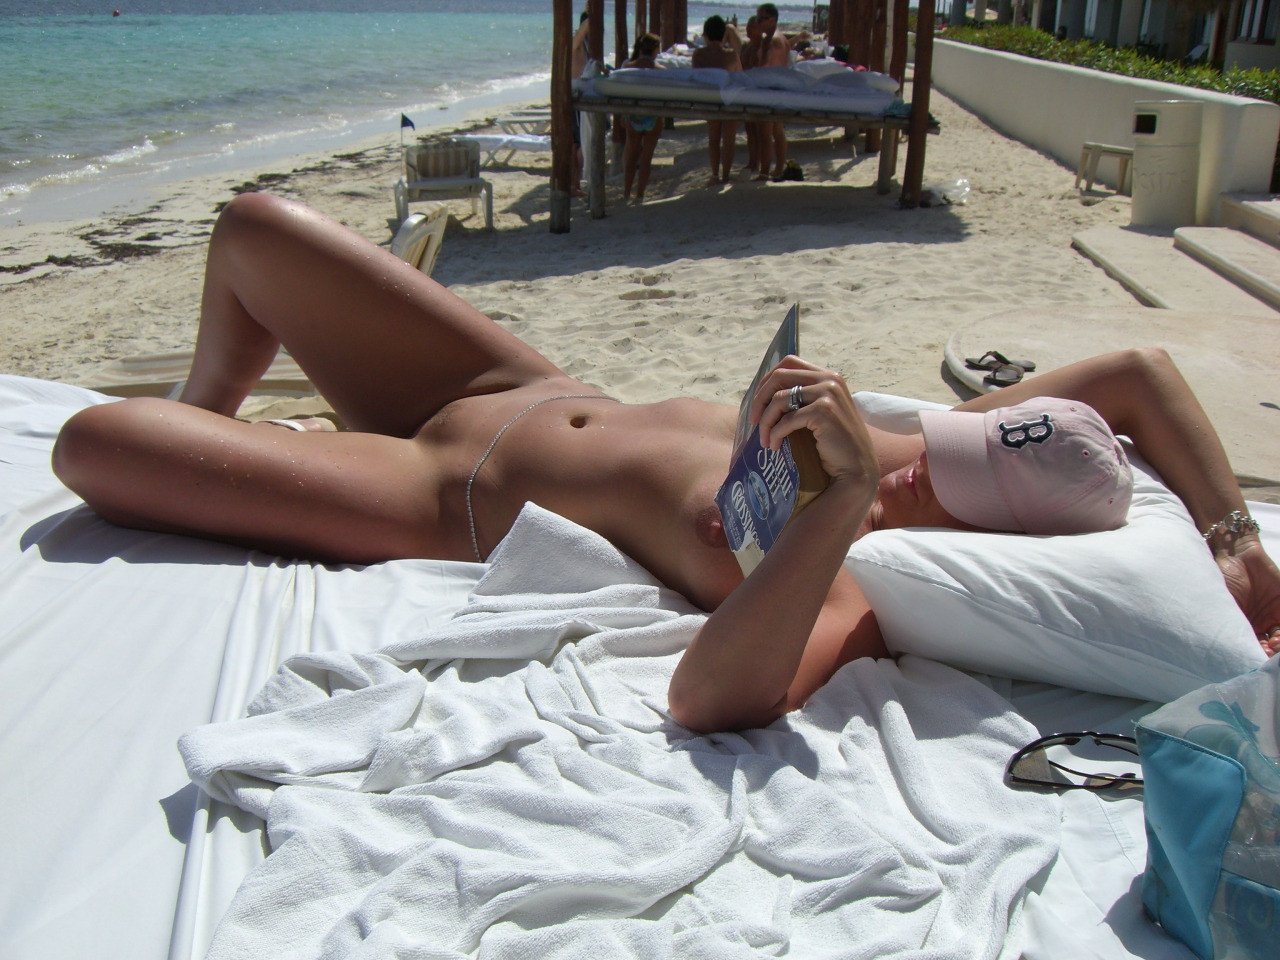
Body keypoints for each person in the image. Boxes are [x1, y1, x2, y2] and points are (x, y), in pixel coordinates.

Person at [53, 195, 1280, 736]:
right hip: (516, 386)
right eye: (940, 452)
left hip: (443, 496)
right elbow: (1136, 372)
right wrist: (1235, 544)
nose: (919, 466)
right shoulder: (927, 449)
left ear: (985, 535)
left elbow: (705, 698)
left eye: (947, 488)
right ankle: (217, 419)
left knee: (94, 445)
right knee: (254, 229)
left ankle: (238, 458)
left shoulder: (850, 588)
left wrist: (843, 504)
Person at [691, 15, 742, 185]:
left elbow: (696, 77)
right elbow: (739, 76)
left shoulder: (698, 55)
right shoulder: (731, 55)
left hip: (710, 99)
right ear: (723, 35)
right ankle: (725, 175)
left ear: (705, 35)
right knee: (729, 140)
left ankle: (714, 174)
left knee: (713, 138)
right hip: (729, 100)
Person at [621, 33, 664, 203]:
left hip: (634, 116)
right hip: (653, 117)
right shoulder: (661, 71)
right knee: (646, 158)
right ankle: (640, 195)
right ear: (655, 50)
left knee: (631, 157)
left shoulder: (627, 66)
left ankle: (626, 193)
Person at [753, 3, 791, 182]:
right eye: (757, 18)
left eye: (762, 18)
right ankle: (779, 168)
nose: (758, 22)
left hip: (769, 89)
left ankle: (764, 172)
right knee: (777, 130)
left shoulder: (770, 40)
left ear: (773, 20)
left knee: (765, 133)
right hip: (780, 88)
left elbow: (764, 66)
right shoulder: (782, 38)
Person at [570, 11, 592, 198]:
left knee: (581, 144)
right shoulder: (576, 43)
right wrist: (590, 20)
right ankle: (572, 184)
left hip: (583, 97)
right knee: (575, 144)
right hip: (573, 97)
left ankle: (575, 183)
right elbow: (575, 40)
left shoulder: (589, 45)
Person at [739, 16, 763, 177]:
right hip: (746, 91)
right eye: (747, 26)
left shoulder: (762, 47)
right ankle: (752, 161)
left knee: (758, 130)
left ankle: (758, 163)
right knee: (749, 129)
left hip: (758, 92)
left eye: (751, 27)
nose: (747, 29)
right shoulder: (746, 46)